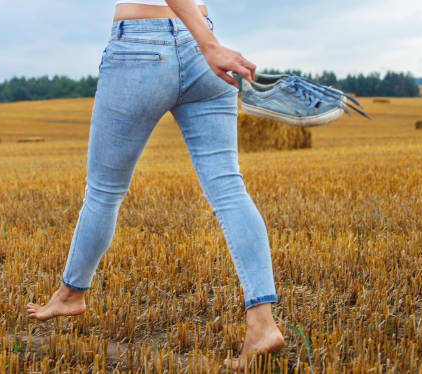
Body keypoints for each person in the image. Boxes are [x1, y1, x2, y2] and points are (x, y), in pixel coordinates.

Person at [27, 0, 285, 369]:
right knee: (229, 189)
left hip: (143, 47)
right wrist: (207, 43)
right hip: (203, 43)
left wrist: (210, 46)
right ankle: (262, 324)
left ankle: (71, 293)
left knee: (104, 191)